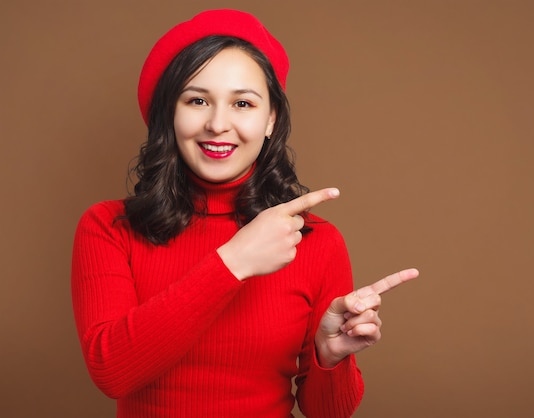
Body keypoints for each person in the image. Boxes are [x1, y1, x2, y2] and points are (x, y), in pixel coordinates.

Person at [71, 9, 418, 418]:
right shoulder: (109, 227)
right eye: (197, 100)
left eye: (243, 103)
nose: (218, 124)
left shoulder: (314, 240)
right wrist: (234, 261)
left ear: (270, 118)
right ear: (170, 113)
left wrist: (331, 357)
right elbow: (112, 372)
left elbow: (328, 413)